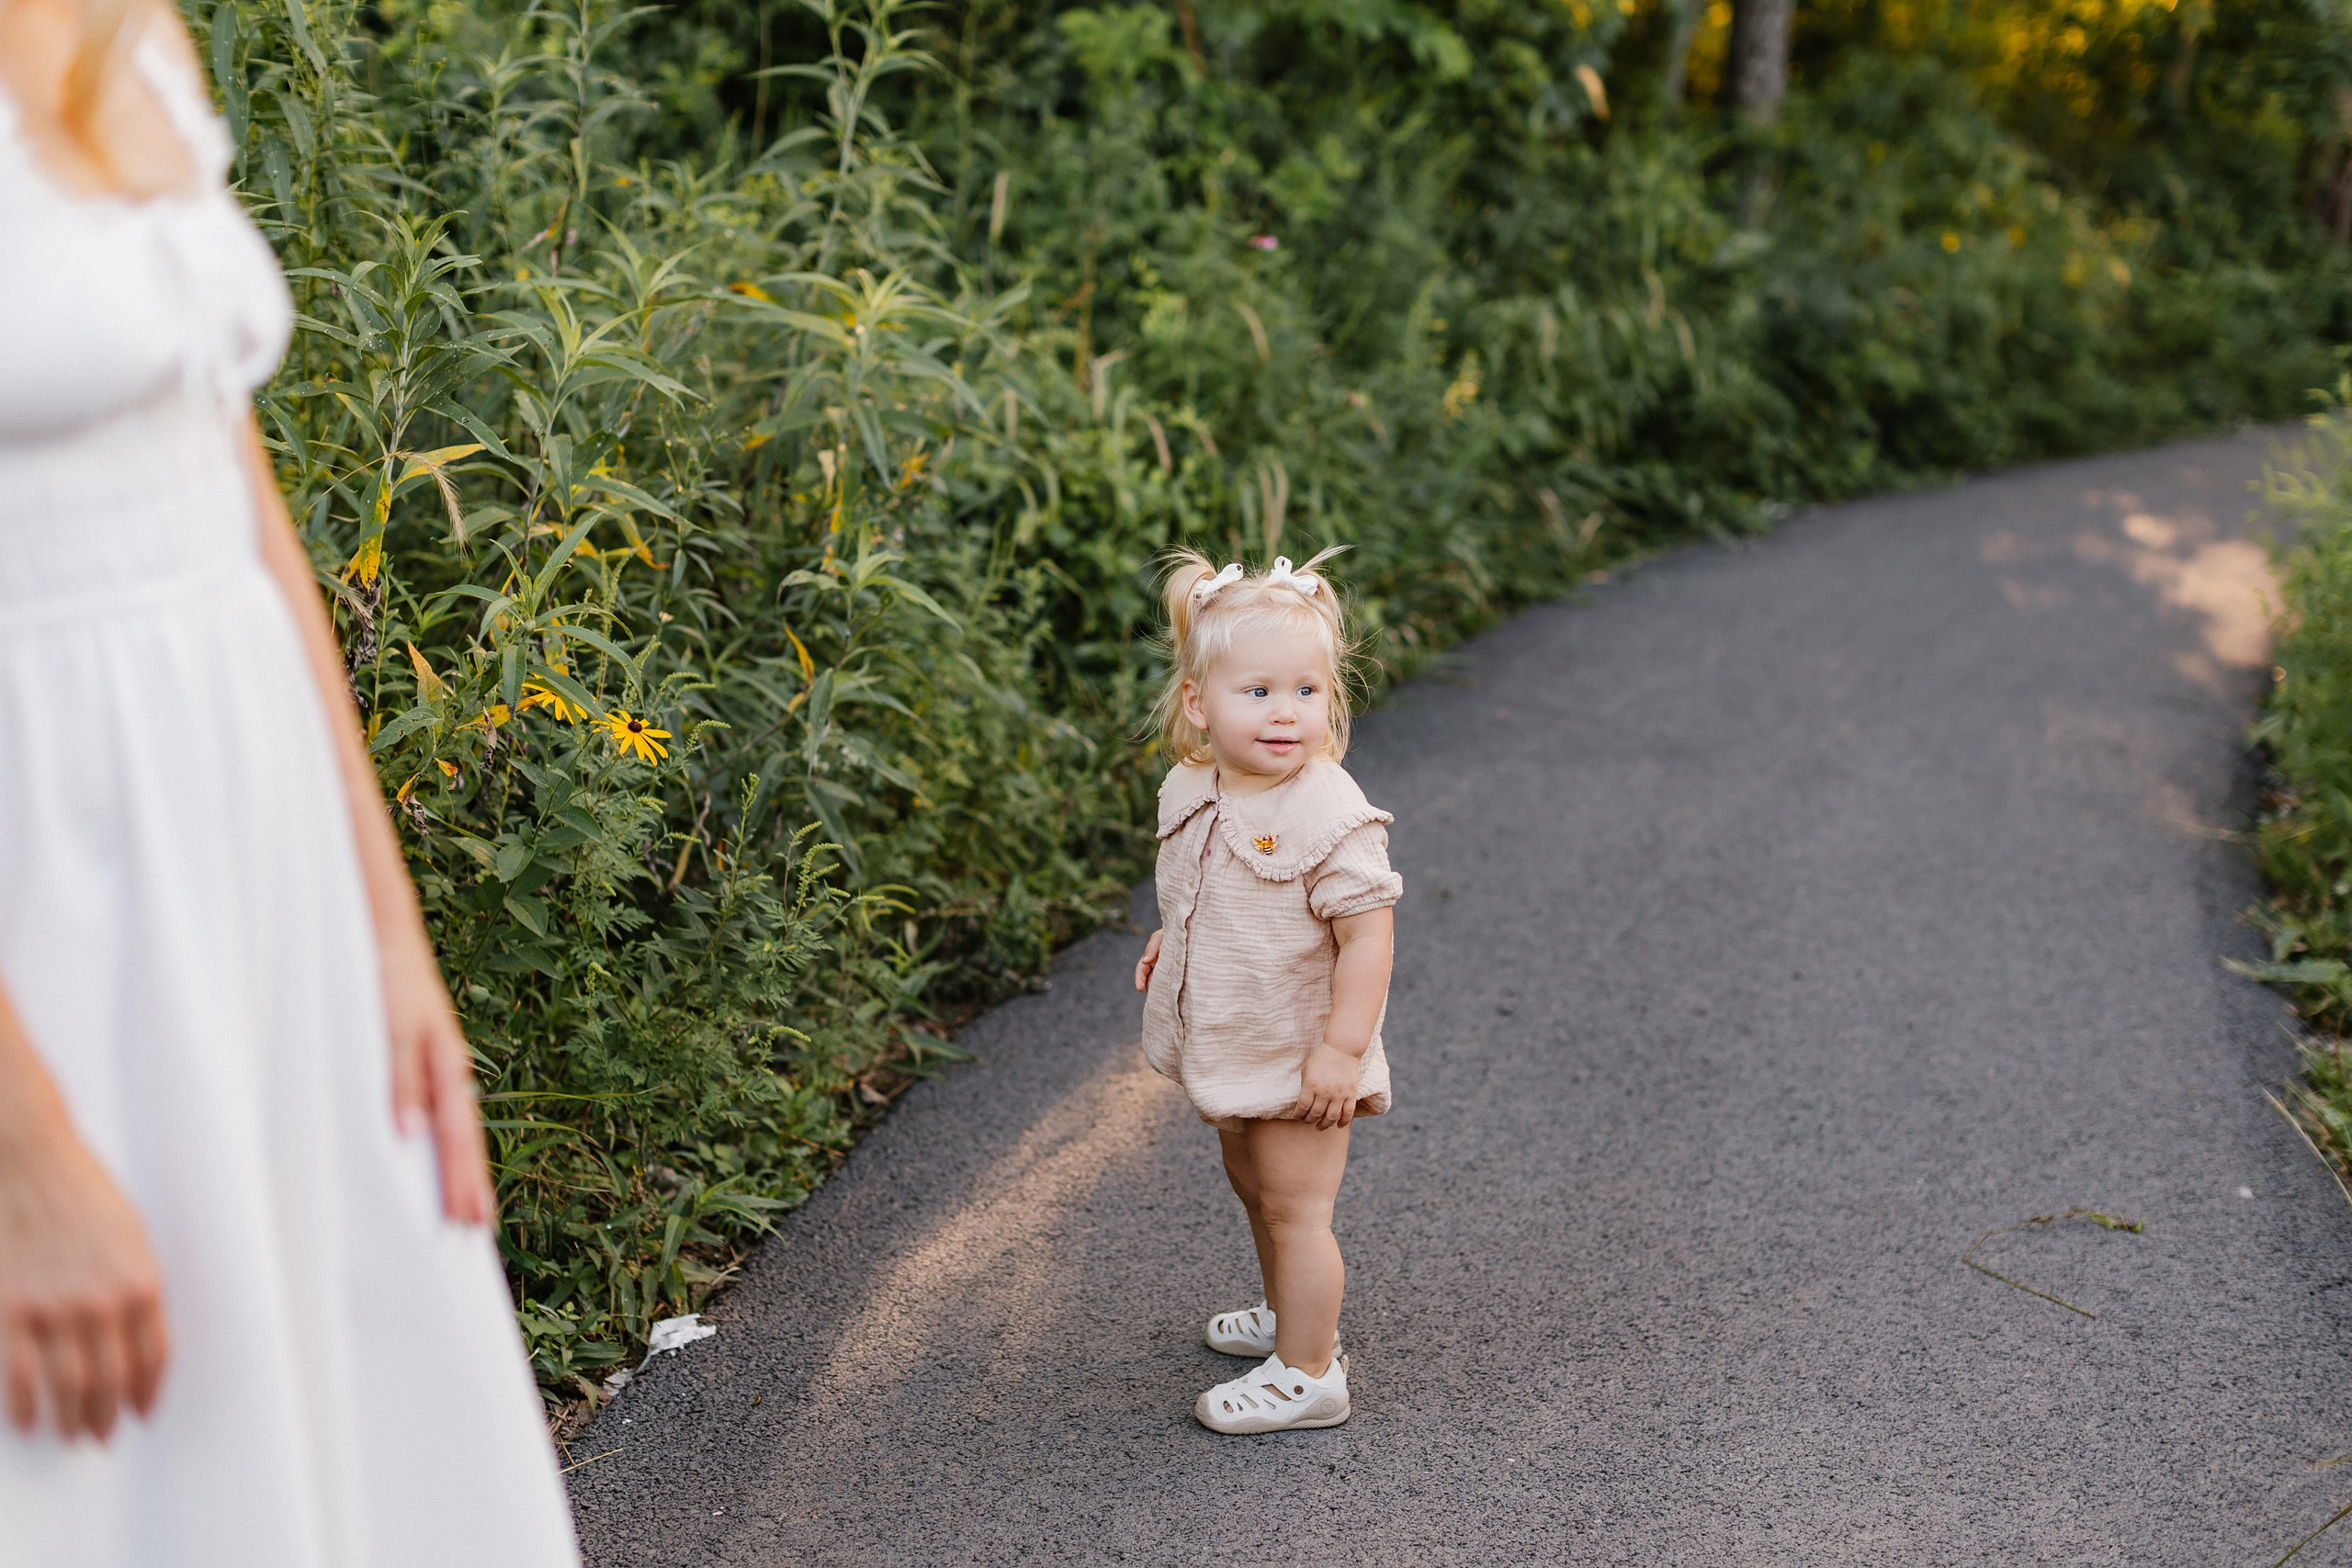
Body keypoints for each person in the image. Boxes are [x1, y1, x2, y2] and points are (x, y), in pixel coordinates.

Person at [0, 0, 581, 1561]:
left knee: (357, 1459)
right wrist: (21, 1156)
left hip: (257, 870)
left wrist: (387, 939)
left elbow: (242, 512)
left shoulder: (124, 28)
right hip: (43, 893)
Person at [1132, 548, 1403, 1434]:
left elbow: (1367, 937)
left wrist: (1341, 1049)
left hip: (1302, 1053)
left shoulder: (1328, 811)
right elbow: (1205, 886)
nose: (1286, 712)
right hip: (1239, 1044)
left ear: (1331, 699)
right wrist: (1174, 936)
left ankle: (1310, 1371)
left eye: (1307, 692)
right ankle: (1292, 1316)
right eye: (1259, 692)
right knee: (1252, 1184)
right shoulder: (1195, 784)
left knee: (1298, 1208)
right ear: (1198, 705)